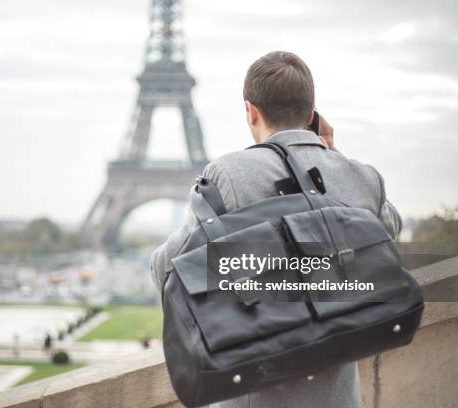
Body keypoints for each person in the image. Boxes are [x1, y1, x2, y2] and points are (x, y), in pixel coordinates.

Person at [150, 51, 401, 408]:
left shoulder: (228, 177)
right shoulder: (362, 178)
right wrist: (331, 152)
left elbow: (165, 270)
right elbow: (388, 237)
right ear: (312, 113)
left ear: (251, 111)